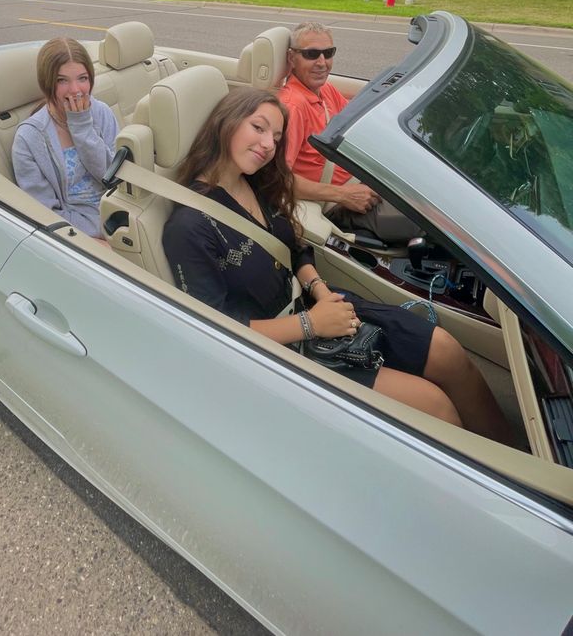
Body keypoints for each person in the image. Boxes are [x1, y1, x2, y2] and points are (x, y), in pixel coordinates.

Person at [163, 87, 512, 441]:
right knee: (434, 405)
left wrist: (318, 288)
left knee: (446, 349)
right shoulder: (188, 227)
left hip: (317, 306)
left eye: (277, 136)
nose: (269, 144)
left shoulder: (257, 183)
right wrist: (310, 323)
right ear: (226, 123)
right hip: (281, 346)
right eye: (259, 127)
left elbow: (295, 247)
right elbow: (214, 328)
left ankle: (516, 456)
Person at [279, 20, 419, 243]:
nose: (322, 62)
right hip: (336, 203)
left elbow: (356, 123)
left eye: (328, 53)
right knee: (425, 222)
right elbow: (277, 179)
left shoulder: (324, 90)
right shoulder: (293, 107)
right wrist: (343, 195)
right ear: (291, 58)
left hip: (360, 181)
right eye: (312, 54)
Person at [12, 37, 118, 238]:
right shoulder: (28, 139)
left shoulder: (102, 112)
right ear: (47, 83)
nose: (75, 90)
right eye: (62, 80)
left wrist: (82, 127)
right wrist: (94, 240)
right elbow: (44, 212)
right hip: (79, 233)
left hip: (119, 216)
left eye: (83, 78)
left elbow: (113, 178)